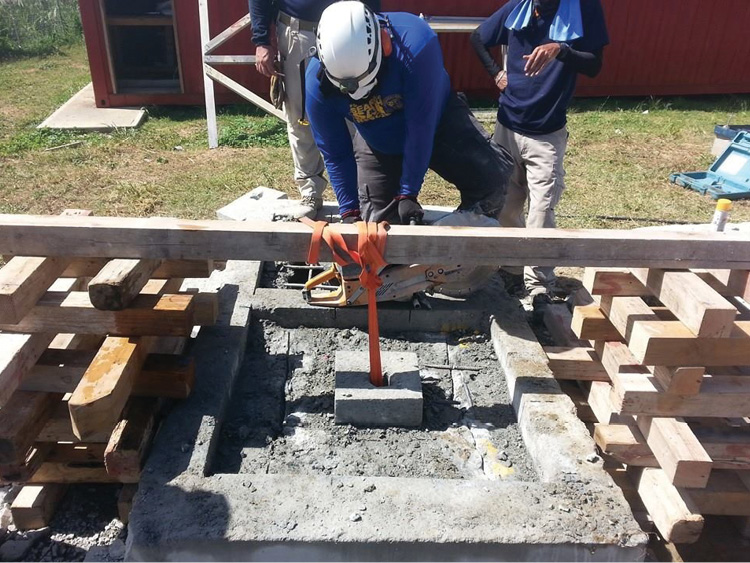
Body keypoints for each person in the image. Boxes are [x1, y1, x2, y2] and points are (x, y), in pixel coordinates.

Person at [304, 1, 514, 225]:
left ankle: (461, 252)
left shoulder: (416, 44)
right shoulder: (316, 86)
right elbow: (336, 153)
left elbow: (420, 126)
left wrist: (408, 192)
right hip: (377, 141)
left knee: (493, 180)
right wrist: (349, 212)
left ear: (384, 44)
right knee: (375, 230)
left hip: (438, 121)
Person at [471, 0, 609, 301]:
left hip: (546, 133)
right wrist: (496, 73)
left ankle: (539, 285)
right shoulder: (518, 7)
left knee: (541, 210)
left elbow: (595, 66)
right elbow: (478, 37)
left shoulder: (584, 8)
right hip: (507, 124)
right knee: (506, 204)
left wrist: (561, 49)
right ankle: (510, 269)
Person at [249, 0, 381, 219]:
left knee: (357, 114)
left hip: (349, 33)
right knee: (300, 117)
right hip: (299, 32)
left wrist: (376, 25)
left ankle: (364, 193)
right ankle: (310, 192)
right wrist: (261, 40)